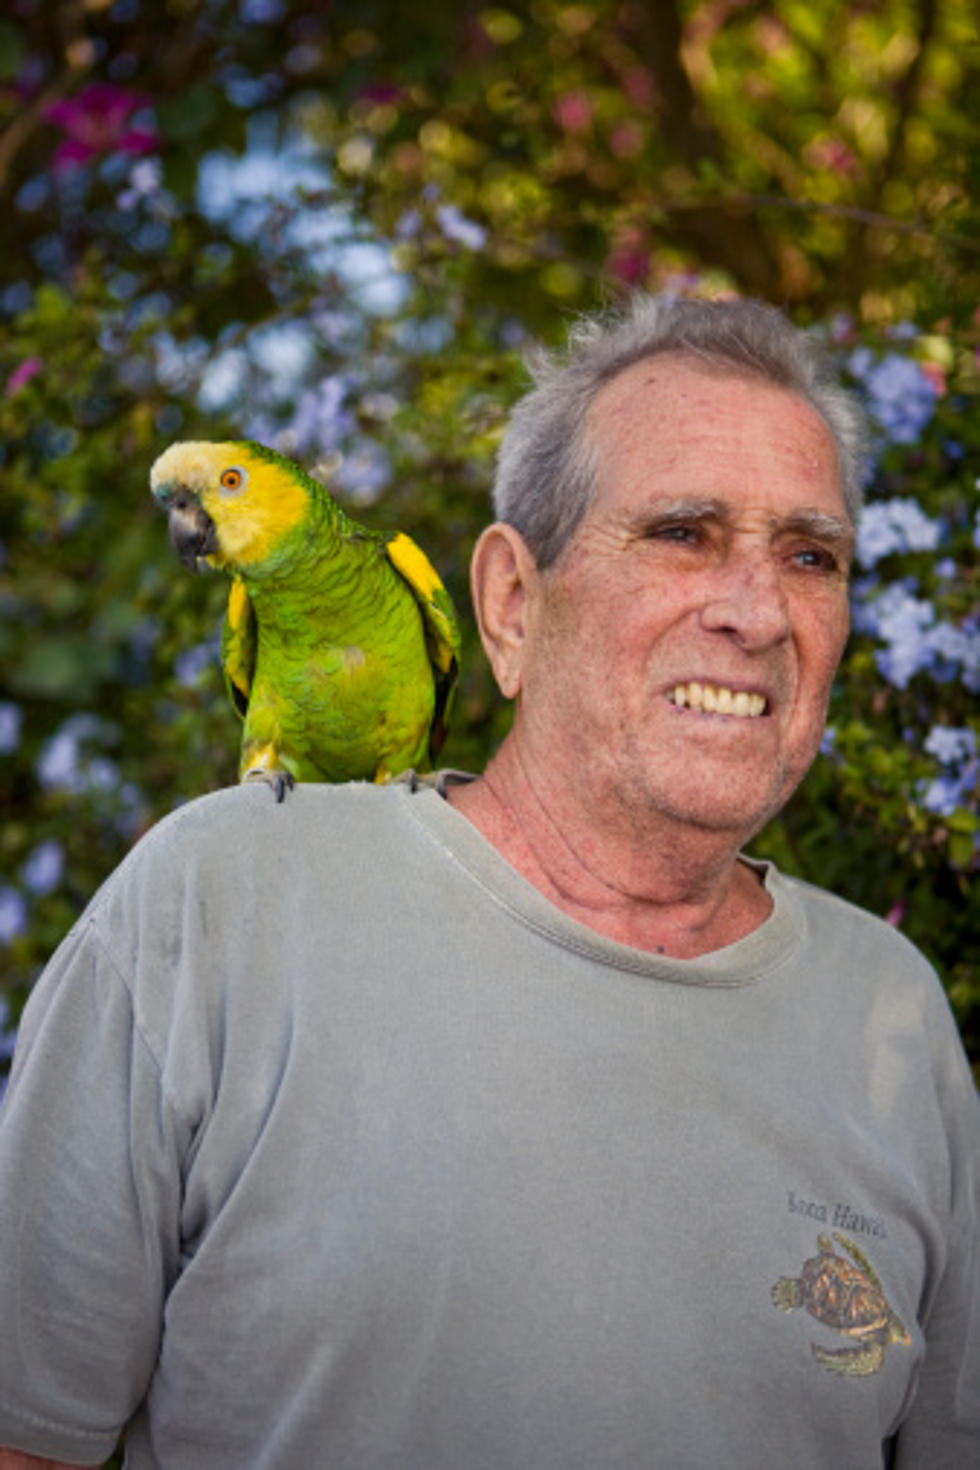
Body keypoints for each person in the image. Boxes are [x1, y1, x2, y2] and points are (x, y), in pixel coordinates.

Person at [0, 294, 976, 1470]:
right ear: (510, 603)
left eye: (809, 556)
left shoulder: (894, 1011)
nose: (756, 611)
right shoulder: (213, 907)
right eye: (681, 533)